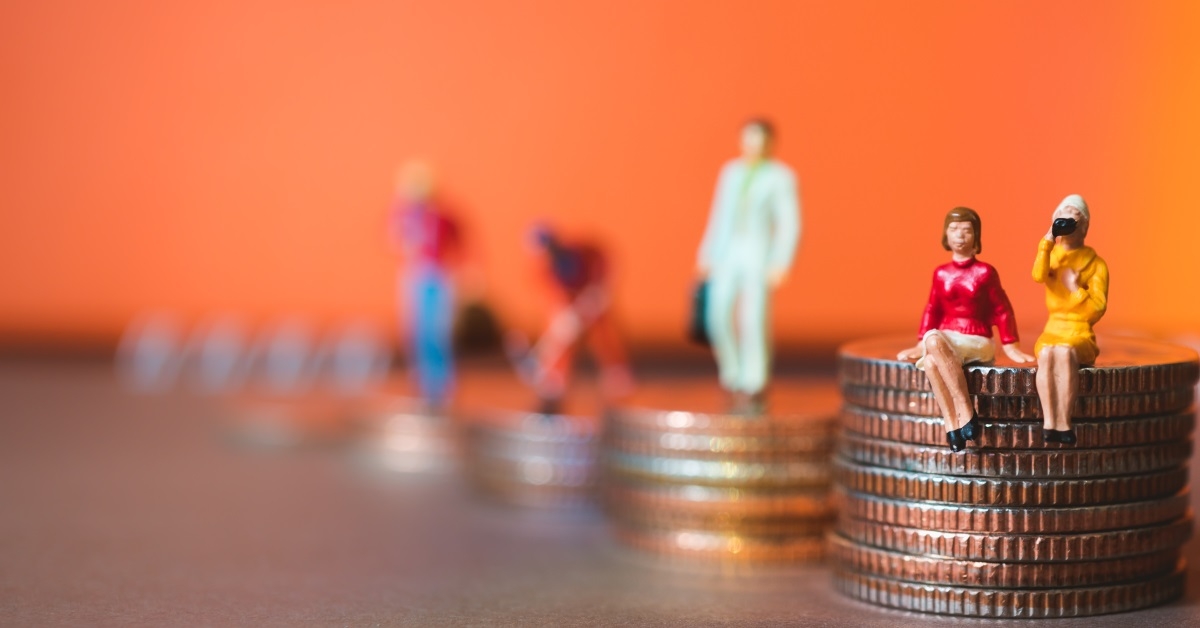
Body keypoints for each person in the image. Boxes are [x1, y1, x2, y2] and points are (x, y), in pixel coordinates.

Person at [898, 207, 1034, 451]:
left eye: (966, 230)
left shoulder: (985, 272)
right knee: (930, 362)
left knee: (933, 345)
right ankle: (953, 425)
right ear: (945, 236)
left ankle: (965, 409)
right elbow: (932, 308)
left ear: (976, 236)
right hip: (946, 339)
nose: (959, 235)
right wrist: (920, 342)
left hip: (977, 337)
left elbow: (1002, 308)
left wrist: (1010, 344)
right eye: (953, 229)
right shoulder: (940, 273)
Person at [695, 119, 801, 413]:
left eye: (760, 140)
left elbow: (789, 222)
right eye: (749, 139)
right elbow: (719, 215)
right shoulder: (731, 172)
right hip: (728, 252)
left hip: (758, 252)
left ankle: (755, 380)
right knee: (717, 313)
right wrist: (707, 252)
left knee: (753, 318)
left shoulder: (781, 176)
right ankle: (732, 374)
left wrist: (781, 260)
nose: (754, 145)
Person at [507, 226, 633, 414]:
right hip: (572, 301)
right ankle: (554, 381)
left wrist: (600, 293)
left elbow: (605, 267)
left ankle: (617, 375)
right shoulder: (545, 269)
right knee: (562, 335)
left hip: (593, 293)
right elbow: (553, 297)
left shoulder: (583, 252)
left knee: (603, 333)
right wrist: (563, 315)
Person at [1032, 194, 1109, 444]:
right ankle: (1049, 421)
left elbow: (1097, 309)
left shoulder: (1096, 264)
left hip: (1080, 331)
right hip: (1053, 327)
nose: (1067, 222)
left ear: (1084, 226)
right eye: (1061, 217)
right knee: (1046, 354)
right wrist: (1047, 240)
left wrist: (1076, 289)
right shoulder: (1053, 256)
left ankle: (1064, 423)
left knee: (1064, 353)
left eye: (1073, 218)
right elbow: (1037, 275)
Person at [389, 161, 461, 407]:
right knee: (415, 330)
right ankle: (421, 383)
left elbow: (459, 243)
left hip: (439, 275)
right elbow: (394, 239)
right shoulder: (404, 215)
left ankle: (442, 384)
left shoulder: (443, 216)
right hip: (414, 275)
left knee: (437, 331)